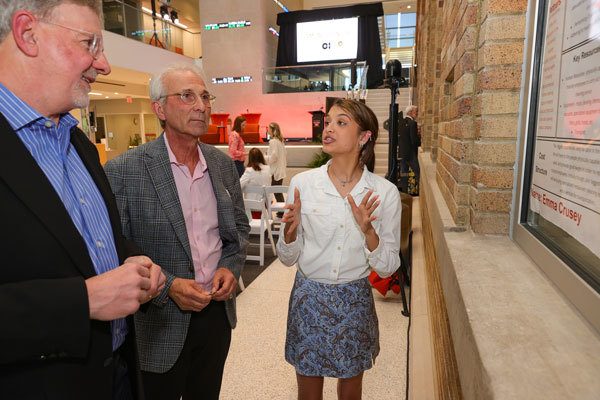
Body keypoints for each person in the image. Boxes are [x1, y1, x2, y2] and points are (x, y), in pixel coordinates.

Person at [0, 1, 165, 399]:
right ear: (27, 33)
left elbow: (83, 243)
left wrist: (134, 261)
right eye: (90, 43)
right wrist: (83, 301)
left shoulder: (77, 142)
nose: (103, 64)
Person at [104, 63, 250, 400]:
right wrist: (168, 285)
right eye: (187, 96)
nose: (201, 105)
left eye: (204, 96)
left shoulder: (222, 164)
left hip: (215, 314)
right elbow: (116, 245)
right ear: (160, 108)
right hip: (158, 320)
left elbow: (238, 228)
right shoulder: (125, 170)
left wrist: (230, 266)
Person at [277, 99, 401, 399]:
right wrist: (290, 235)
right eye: (328, 121)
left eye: (341, 122)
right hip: (309, 297)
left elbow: (388, 267)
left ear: (364, 137)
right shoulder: (303, 184)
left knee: (350, 390)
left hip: (353, 299)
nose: (329, 127)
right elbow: (287, 257)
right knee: (308, 389)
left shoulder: (384, 193)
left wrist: (369, 232)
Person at [240, 147, 272, 219]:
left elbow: (239, 185)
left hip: (253, 205)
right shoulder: (268, 168)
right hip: (266, 203)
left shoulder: (249, 171)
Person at [399, 105, 420, 193]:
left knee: (404, 173)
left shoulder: (401, 122)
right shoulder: (413, 123)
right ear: (410, 112)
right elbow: (413, 140)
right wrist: (419, 141)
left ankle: (404, 192)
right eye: (416, 112)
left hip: (402, 153)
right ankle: (419, 190)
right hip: (410, 154)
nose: (417, 114)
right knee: (418, 172)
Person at [266, 122, 287, 203]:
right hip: (280, 169)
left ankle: (282, 211)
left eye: (268, 128)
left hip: (276, 171)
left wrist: (265, 158)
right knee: (277, 191)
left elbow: (274, 157)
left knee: (276, 191)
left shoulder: (273, 141)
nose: (267, 130)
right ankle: (282, 210)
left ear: (272, 130)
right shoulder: (280, 141)